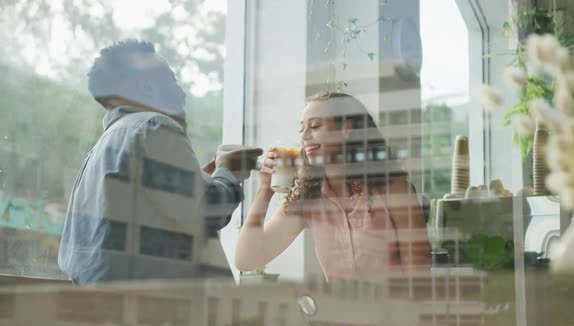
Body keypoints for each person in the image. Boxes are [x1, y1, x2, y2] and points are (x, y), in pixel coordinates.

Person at [58, 40, 262, 284]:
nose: (181, 92)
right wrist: (228, 171)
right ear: (146, 87)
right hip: (161, 314)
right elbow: (207, 209)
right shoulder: (152, 127)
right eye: (171, 80)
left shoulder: (99, 152)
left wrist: (201, 178)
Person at [235, 92, 430, 280]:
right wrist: (264, 190)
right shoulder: (309, 198)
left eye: (315, 126)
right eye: (301, 129)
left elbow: (418, 276)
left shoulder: (392, 188)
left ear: (346, 129)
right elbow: (247, 260)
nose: (304, 136)